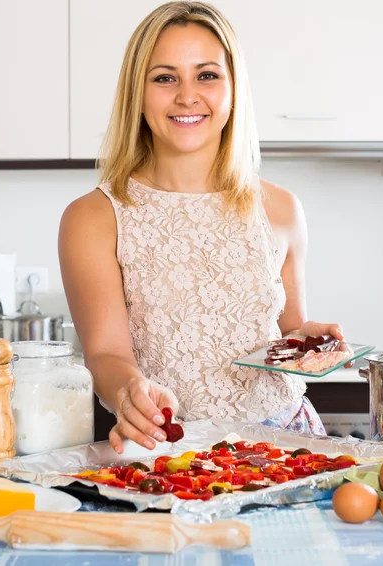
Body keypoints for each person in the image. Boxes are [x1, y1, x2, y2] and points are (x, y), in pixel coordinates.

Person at [59, 1, 347, 455]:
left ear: (234, 89)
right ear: (137, 91)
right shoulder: (93, 218)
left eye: (207, 75)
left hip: (287, 444)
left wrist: (311, 343)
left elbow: (286, 333)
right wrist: (130, 389)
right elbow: (105, 354)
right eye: (165, 77)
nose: (187, 95)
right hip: (169, 450)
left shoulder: (282, 209)